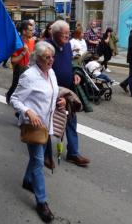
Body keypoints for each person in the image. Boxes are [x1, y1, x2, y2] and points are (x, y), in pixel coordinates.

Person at [10, 41, 60, 223]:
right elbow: (14, 99)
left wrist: (60, 101)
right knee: (39, 161)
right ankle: (42, 202)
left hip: (47, 124)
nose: (51, 60)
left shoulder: (51, 72)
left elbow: (53, 93)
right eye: (47, 57)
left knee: (35, 159)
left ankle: (27, 180)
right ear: (37, 58)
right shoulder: (29, 76)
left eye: (52, 56)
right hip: (34, 126)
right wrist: (28, 111)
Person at [47, 20, 90, 166]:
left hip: (67, 90)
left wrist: (75, 73)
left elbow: (71, 63)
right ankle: (44, 154)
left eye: (68, 33)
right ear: (56, 33)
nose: (67, 36)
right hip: (51, 92)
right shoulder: (46, 47)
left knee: (71, 121)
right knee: (47, 123)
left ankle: (73, 153)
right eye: (64, 33)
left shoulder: (67, 46)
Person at [6, 20, 36, 104]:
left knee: (28, 87)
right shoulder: (17, 43)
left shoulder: (32, 41)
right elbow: (13, 61)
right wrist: (23, 52)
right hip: (19, 68)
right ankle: (9, 95)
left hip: (29, 68)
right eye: (30, 30)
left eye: (32, 30)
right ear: (24, 31)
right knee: (16, 85)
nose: (32, 32)